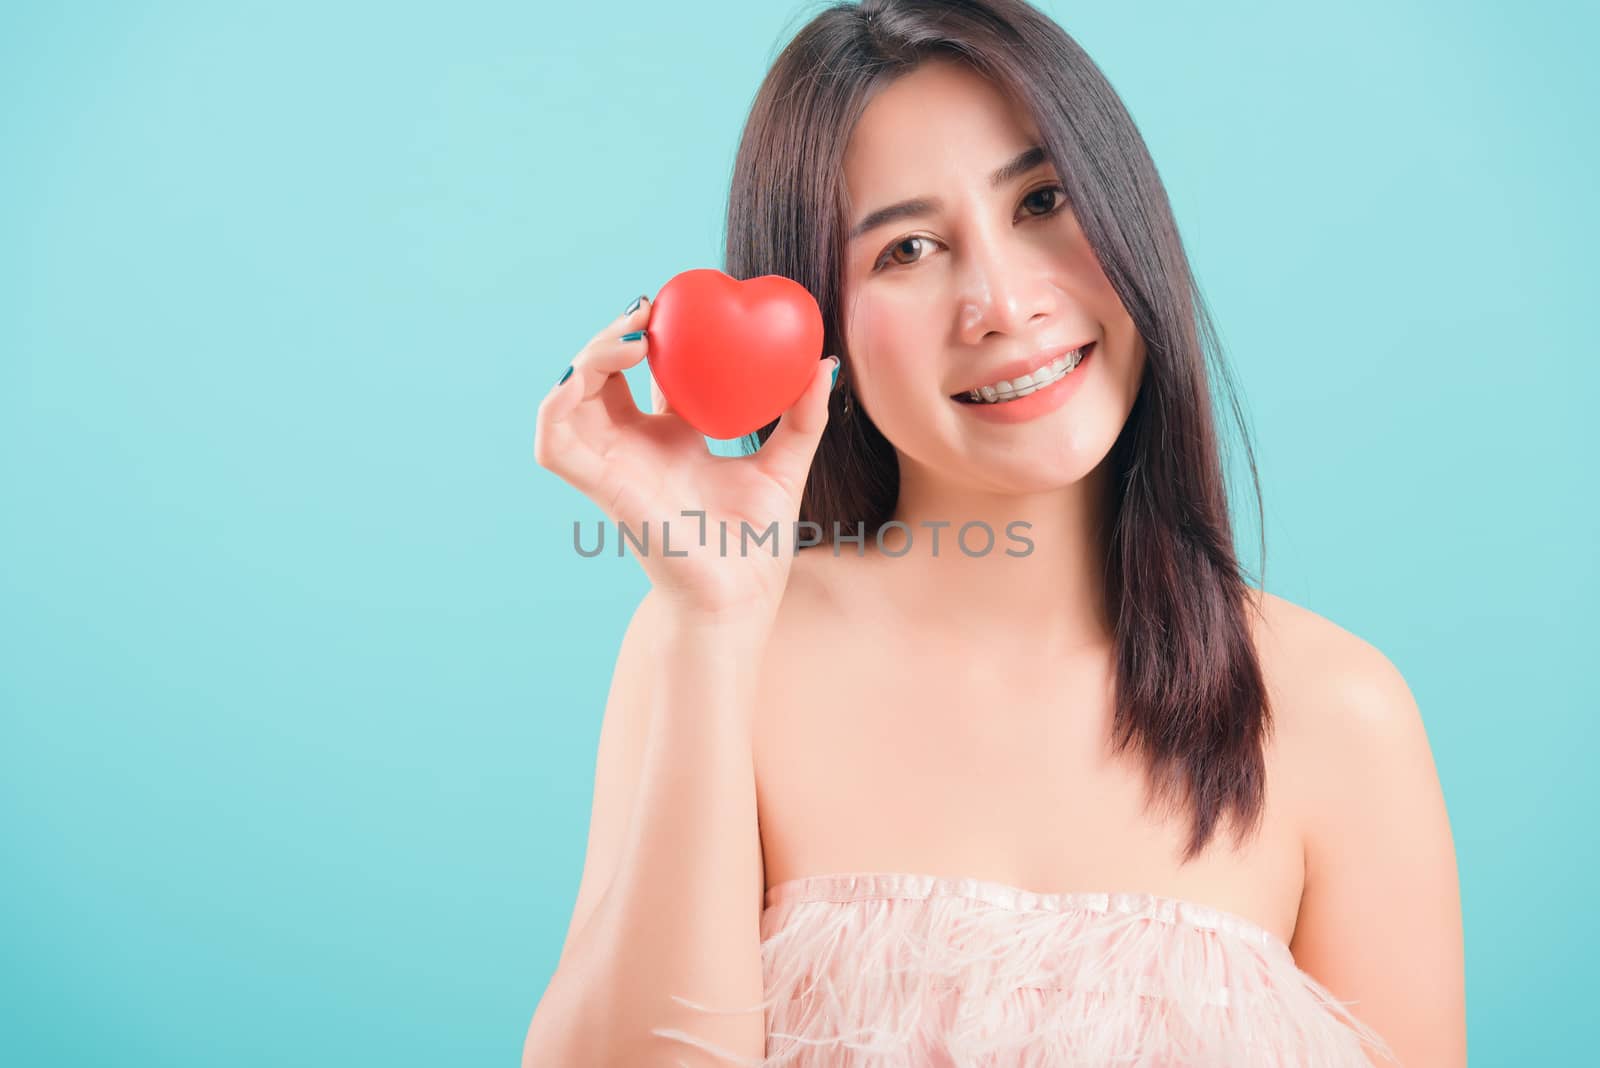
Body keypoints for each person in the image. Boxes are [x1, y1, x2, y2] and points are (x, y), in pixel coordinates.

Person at [523, 1, 1466, 1065]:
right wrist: (711, 621)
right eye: (908, 248)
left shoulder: (1338, 713)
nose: (1001, 304)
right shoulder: (719, 652)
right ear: (811, 323)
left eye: (1043, 199)